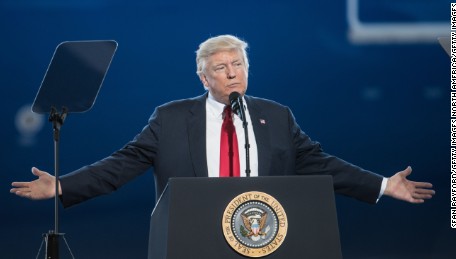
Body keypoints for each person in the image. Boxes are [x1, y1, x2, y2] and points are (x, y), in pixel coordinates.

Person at [11, 34, 434, 208]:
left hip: (264, 235)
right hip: (193, 238)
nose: (232, 72)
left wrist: (383, 184)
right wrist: (62, 185)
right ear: (204, 77)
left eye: (238, 63)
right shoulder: (172, 118)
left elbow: (322, 164)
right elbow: (122, 165)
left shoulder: (276, 117)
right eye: (221, 67)